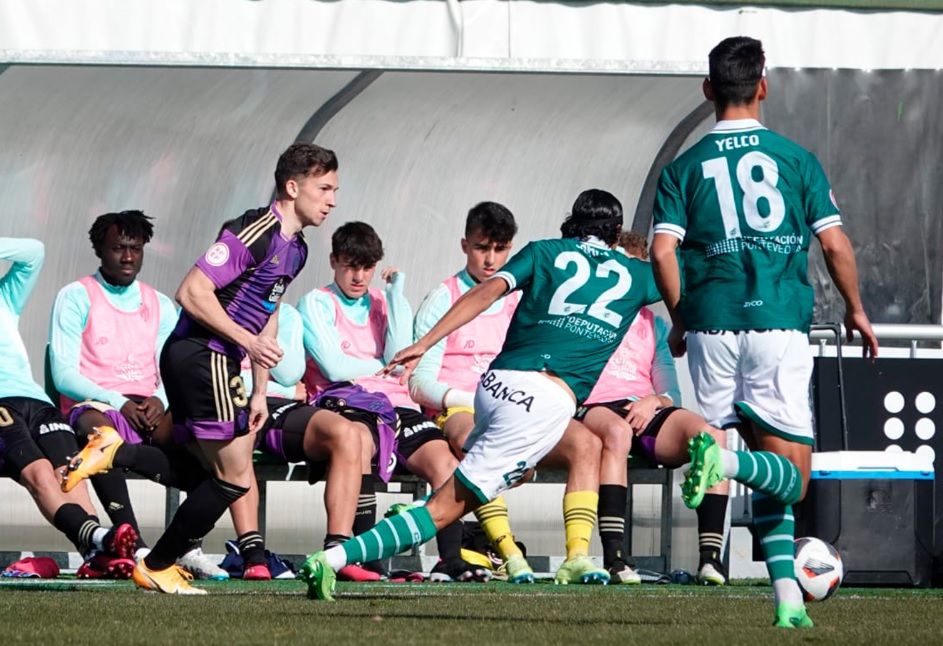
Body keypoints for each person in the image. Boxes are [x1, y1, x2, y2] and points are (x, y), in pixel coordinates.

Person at [300, 188, 662, 601]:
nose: (490, 256)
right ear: (616, 233)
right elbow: (685, 269)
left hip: (496, 387)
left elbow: (488, 290)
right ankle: (332, 559)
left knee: (545, 459)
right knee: (444, 508)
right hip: (538, 402)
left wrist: (424, 342)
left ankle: (574, 556)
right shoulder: (637, 274)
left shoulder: (543, 251)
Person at [650, 36, 878, 628]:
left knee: (757, 462)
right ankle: (721, 465)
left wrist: (682, 318)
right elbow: (832, 242)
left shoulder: (683, 168)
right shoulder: (795, 158)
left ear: (707, 91)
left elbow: (662, 251)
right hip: (776, 325)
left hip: (712, 330)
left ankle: (786, 602)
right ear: (763, 86)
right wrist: (856, 308)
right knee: (794, 480)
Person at [65, 142, 338, 594]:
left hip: (217, 359)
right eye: (324, 188)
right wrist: (245, 341)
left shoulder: (297, 249)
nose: (332, 200)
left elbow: (268, 311)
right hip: (201, 354)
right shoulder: (256, 231)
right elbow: (191, 292)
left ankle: (118, 457)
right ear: (292, 187)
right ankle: (157, 563)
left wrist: (257, 389)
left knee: (206, 476)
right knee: (234, 478)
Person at [298, 221, 489, 582]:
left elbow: (399, 359)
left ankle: (451, 559)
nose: (359, 276)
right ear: (333, 261)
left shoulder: (385, 301)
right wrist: (380, 367)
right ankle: (361, 558)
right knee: (361, 445)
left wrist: (397, 292)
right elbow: (334, 367)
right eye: (351, 266)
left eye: (367, 267)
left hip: (397, 405)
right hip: (349, 402)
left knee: (446, 462)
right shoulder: (317, 302)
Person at [48, 210, 226, 579]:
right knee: (99, 436)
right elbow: (63, 373)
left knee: (214, 443)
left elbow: (171, 362)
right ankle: (136, 544)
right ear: (99, 249)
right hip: (100, 404)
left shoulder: (160, 302)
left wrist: (162, 398)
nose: (128, 257)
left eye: (135, 248)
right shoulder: (76, 296)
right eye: (118, 248)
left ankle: (186, 545)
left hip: (150, 405)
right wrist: (119, 402)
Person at [577, 231, 729, 585]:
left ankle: (710, 560)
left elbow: (669, 389)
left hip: (645, 412)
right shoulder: (586, 317)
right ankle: (615, 557)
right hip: (596, 408)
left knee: (712, 436)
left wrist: (653, 401)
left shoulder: (654, 324)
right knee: (616, 434)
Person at [409, 201, 534, 582]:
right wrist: (470, 401)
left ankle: (592, 555)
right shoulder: (443, 298)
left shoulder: (520, 301)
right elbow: (418, 383)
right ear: (465, 245)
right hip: (458, 410)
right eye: (483, 248)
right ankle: (508, 549)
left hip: (511, 407)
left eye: (501, 249)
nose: (491, 259)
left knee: (584, 444)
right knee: (476, 443)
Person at [0, 237, 139, 578]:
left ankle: (97, 550)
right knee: (39, 475)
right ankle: (100, 540)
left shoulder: (5, 296)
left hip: (36, 402)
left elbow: (34, 251)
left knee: (71, 472)